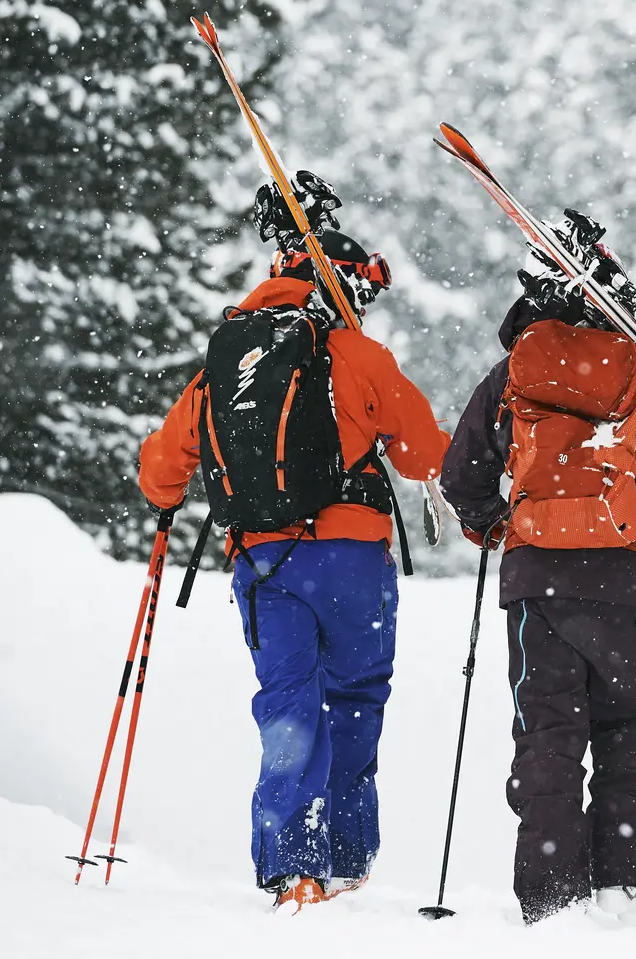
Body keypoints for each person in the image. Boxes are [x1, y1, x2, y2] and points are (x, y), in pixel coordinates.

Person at [138, 177, 449, 911]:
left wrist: (165, 500)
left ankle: (293, 865)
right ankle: (345, 860)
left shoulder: (226, 366)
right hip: (352, 559)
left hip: (262, 561)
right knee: (354, 699)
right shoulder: (358, 356)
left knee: (288, 705)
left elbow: (161, 468)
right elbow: (427, 455)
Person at [440, 216, 636, 926]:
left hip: (535, 583)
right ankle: (622, 886)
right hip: (628, 577)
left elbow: (460, 477)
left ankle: (551, 902)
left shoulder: (511, 375)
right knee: (629, 732)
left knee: (547, 736)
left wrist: (501, 525)